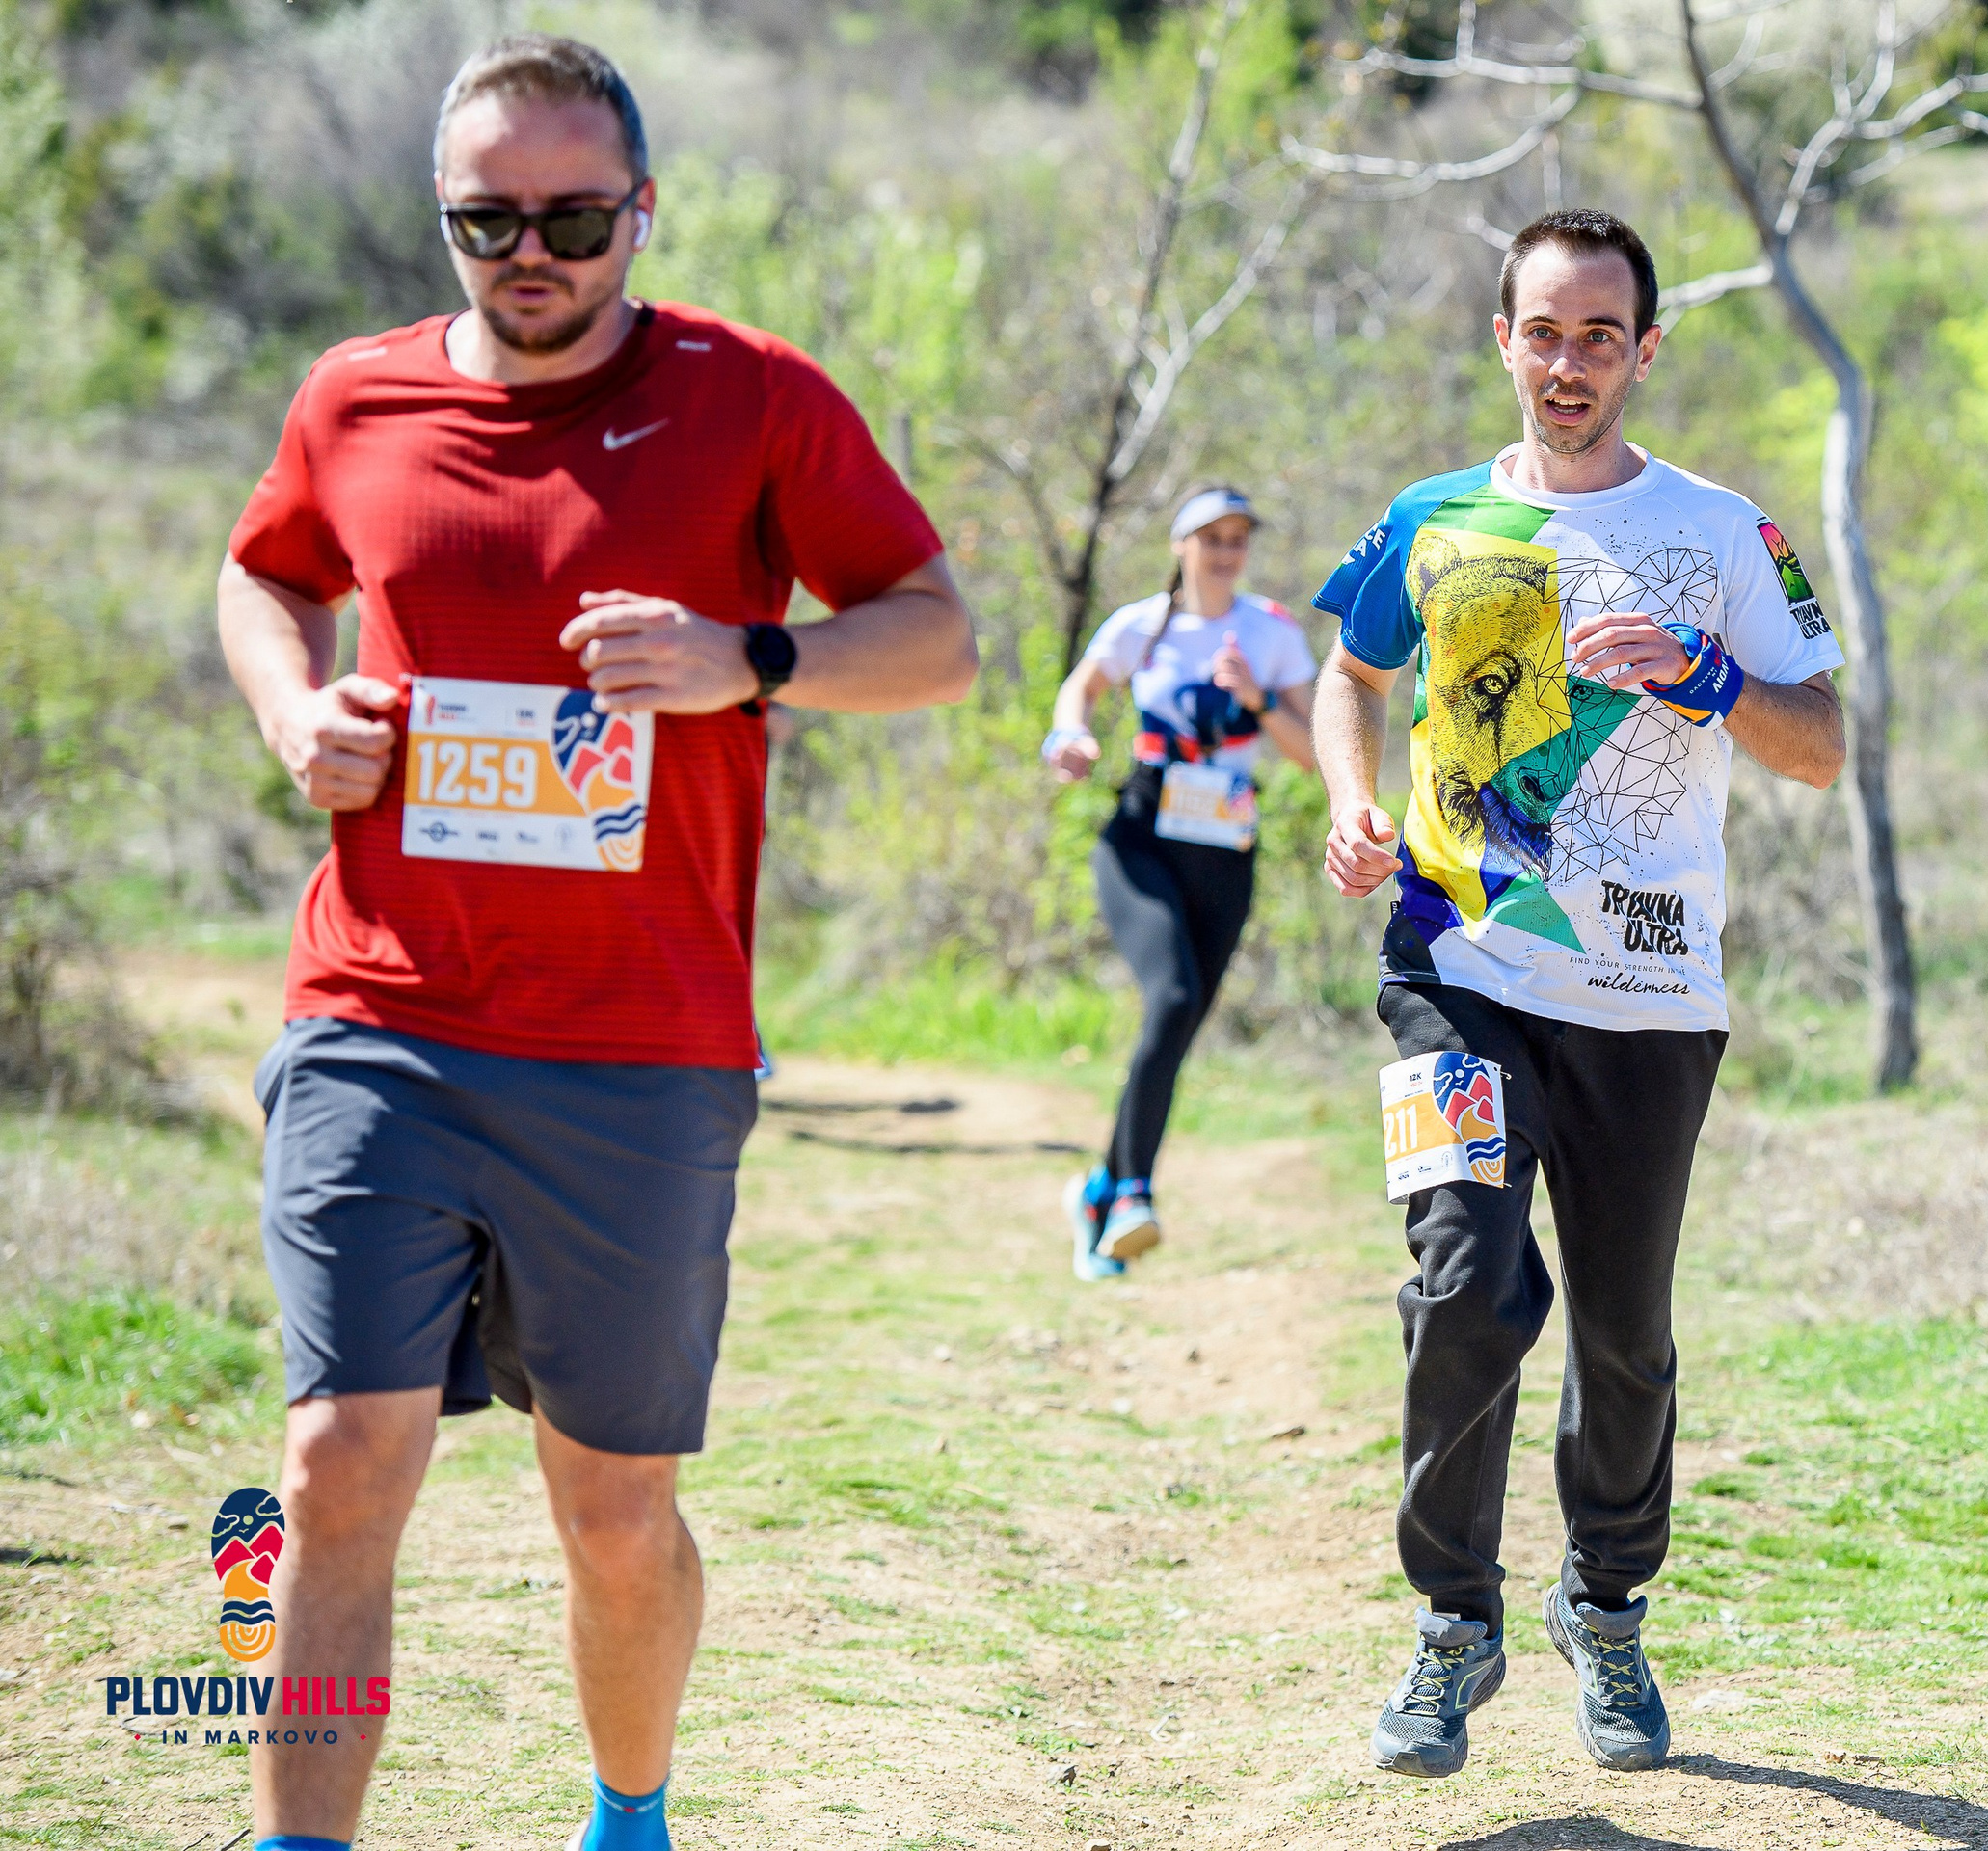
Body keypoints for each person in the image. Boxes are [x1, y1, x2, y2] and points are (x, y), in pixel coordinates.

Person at [216, 35, 975, 1851]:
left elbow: (937, 633)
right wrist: (289, 709)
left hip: (641, 1047)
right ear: (445, 219)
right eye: (489, 221)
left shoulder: (754, 398)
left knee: (611, 1502)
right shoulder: (356, 396)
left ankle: (627, 1815)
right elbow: (265, 573)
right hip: (380, 1011)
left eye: (572, 216)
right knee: (334, 1469)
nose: (531, 253)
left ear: (642, 208)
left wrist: (755, 656)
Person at [1311, 208, 1848, 1780]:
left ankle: (1604, 1612)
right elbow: (1351, 672)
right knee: (1465, 1280)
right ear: (1502, 339)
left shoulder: (1727, 534)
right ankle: (1450, 1628)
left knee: (1624, 1335)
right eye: (1543, 331)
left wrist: (1712, 675)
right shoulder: (1433, 515)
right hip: (1456, 968)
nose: (1569, 362)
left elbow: (1826, 744)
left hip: (1653, 995)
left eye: (1600, 335)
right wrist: (1351, 801)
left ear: (1645, 350)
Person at [1045, 488, 1320, 1280]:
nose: (1226, 551)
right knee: (1167, 1001)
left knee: (1177, 1027)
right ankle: (1133, 1190)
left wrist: (1257, 700)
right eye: (1211, 538)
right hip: (1143, 839)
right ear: (1181, 546)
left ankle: (1097, 1190)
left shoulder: (1267, 633)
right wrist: (1070, 731)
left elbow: (1307, 751)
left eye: (1238, 538)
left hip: (1226, 847)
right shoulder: (1144, 624)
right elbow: (1083, 686)